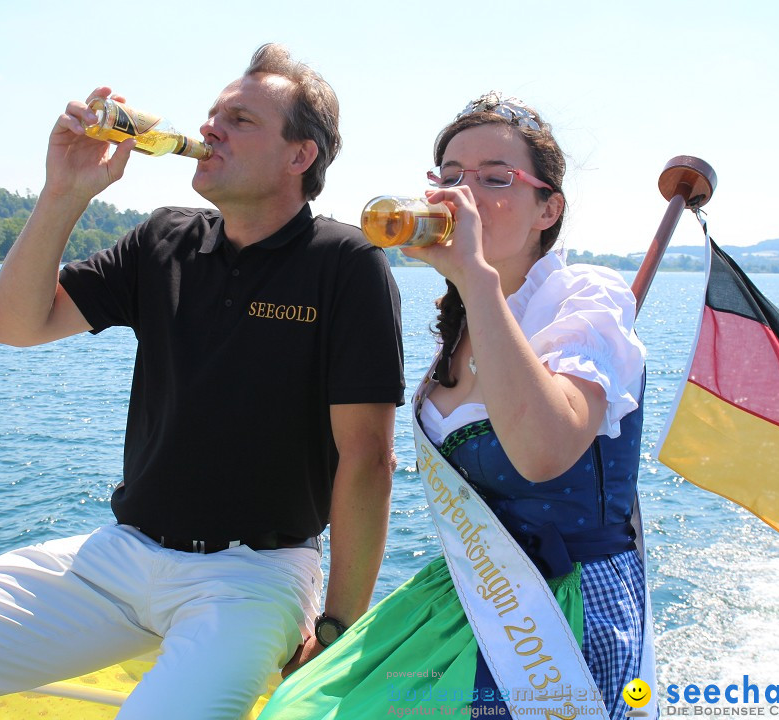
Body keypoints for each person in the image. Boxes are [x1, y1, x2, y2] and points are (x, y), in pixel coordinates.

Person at [0, 44, 404, 720]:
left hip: (252, 577)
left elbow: (368, 458)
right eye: (212, 115)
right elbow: (16, 325)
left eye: (241, 120)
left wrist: (339, 628)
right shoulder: (165, 240)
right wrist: (65, 190)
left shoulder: (346, 263)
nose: (211, 130)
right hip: (123, 554)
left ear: (300, 156)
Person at [258, 92, 653, 720]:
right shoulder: (464, 321)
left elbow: (544, 453)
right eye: (450, 178)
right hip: (465, 593)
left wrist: (474, 276)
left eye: (496, 179)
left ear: (548, 209)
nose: (462, 196)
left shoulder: (586, 300)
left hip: (561, 617)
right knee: (296, 709)